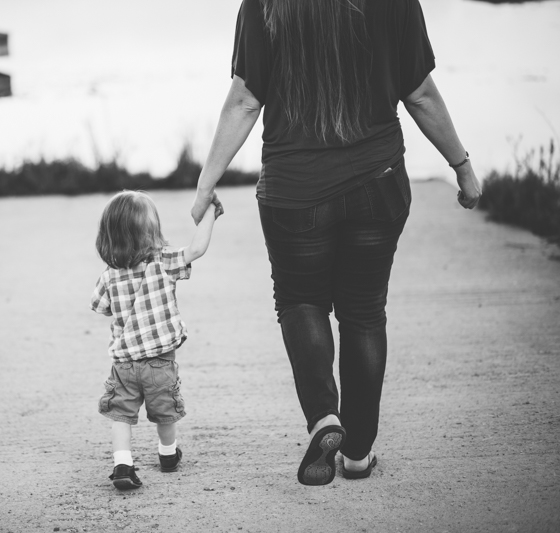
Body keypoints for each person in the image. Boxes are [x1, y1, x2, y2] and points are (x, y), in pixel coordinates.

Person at [191, 0, 481, 486]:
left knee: (301, 300)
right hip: (378, 182)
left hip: (293, 190)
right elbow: (421, 94)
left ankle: (325, 417)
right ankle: (358, 456)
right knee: (364, 313)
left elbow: (245, 99)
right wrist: (463, 166)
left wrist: (206, 183)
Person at [91, 190, 219, 490]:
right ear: (151, 231)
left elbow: (101, 307)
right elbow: (197, 249)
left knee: (121, 415)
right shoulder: (163, 261)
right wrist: (211, 211)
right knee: (165, 411)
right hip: (160, 362)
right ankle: (168, 454)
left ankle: (122, 465)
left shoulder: (110, 275)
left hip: (123, 365)